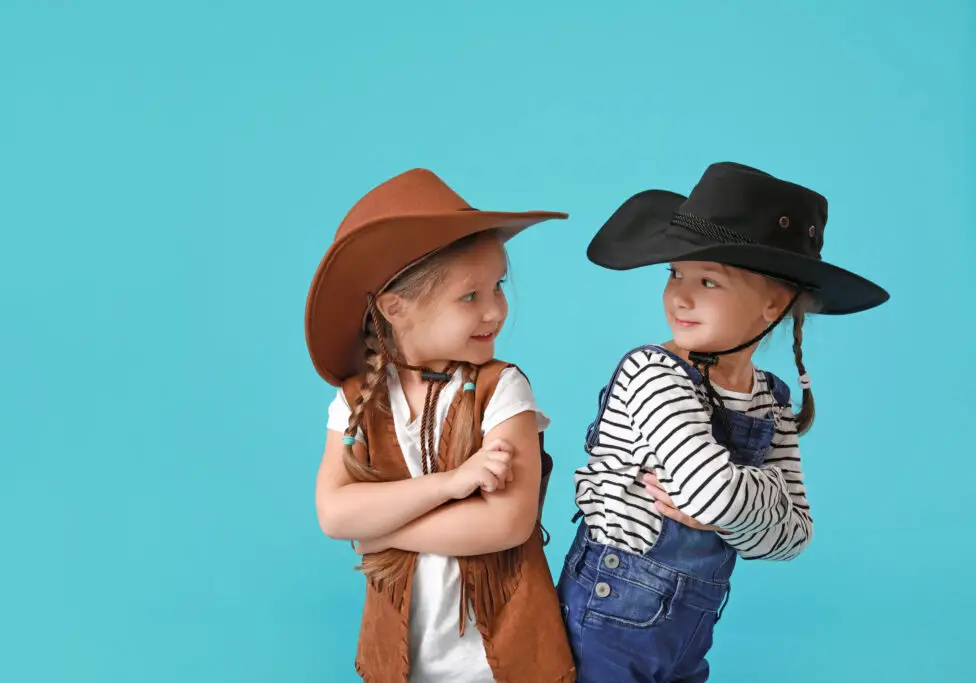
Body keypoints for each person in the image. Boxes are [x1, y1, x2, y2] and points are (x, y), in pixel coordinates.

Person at [558, 162, 889, 682]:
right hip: (610, 614)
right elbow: (712, 497)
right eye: (674, 274)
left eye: (708, 280)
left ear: (772, 304)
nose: (679, 296)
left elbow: (792, 537)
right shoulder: (653, 374)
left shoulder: (771, 400)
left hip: (691, 624)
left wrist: (727, 506)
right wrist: (754, 501)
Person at [308, 168, 576, 683]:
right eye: (469, 296)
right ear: (396, 308)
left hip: (504, 662)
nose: (496, 310)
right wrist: (451, 484)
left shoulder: (503, 389)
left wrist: (381, 533)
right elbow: (333, 515)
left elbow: (505, 524)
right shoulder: (356, 401)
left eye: (497, 287)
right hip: (403, 662)